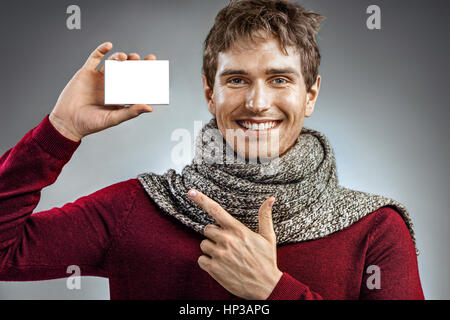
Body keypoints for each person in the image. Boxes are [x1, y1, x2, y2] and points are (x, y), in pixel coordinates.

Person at [0, 0, 424, 300]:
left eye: (279, 79)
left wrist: (272, 290)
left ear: (310, 95)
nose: (258, 103)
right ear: (210, 93)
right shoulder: (135, 208)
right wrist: (59, 130)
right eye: (237, 80)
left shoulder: (376, 229)